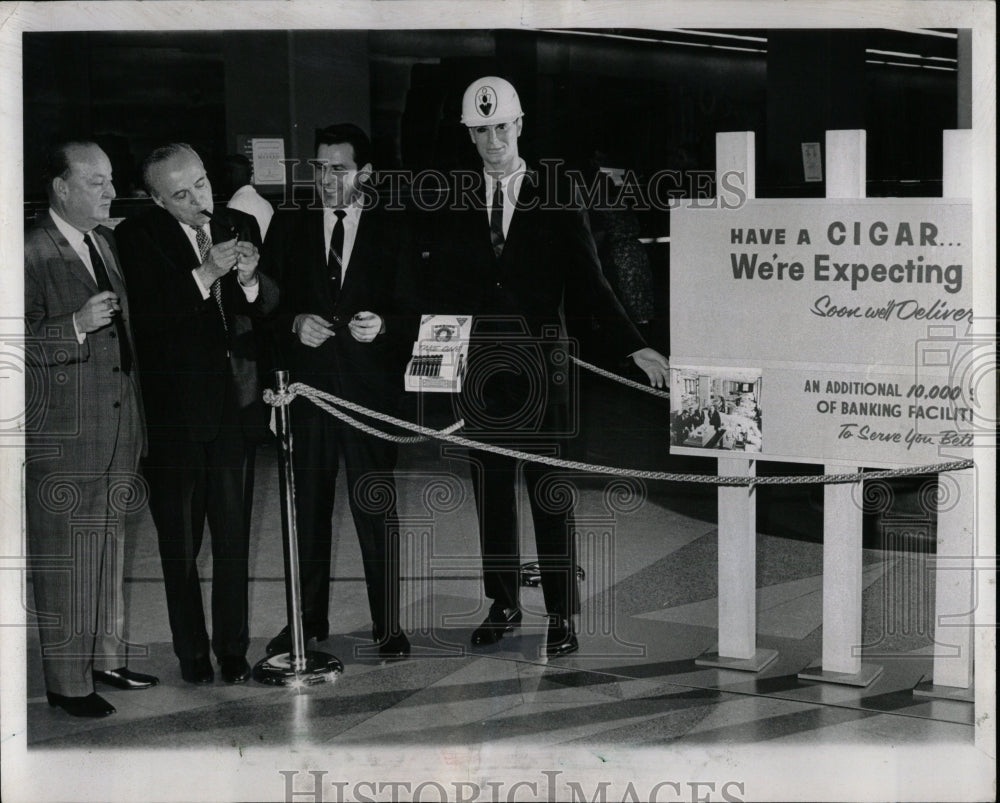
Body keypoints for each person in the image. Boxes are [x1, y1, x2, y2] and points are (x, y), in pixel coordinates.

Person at [418, 77, 670, 657]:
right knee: (491, 491)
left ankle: (560, 614)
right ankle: (502, 603)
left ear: (520, 126)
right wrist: (434, 368)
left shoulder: (557, 190)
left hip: (543, 370)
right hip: (481, 370)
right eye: (481, 130)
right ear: (470, 134)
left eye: (501, 126)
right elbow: (442, 290)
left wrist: (635, 345)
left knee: (550, 492)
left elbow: (590, 279)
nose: (492, 139)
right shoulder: (455, 195)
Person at [115, 143, 278, 685]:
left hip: (233, 410)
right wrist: (206, 273)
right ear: (157, 200)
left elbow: (265, 307)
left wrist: (252, 280)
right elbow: (150, 321)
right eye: (180, 195)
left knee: (233, 540)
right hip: (175, 420)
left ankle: (232, 648)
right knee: (179, 546)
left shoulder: (238, 221)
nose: (197, 200)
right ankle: (191, 653)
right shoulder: (136, 238)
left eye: (201, 185)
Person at [259, 123, 413, 660]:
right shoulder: (289, 223)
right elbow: (265, 308)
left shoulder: (394, 227)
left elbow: (415, 308)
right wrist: (294, 323)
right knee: (309, 509)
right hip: (309, 391)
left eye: (339, 169)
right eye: (320, 168)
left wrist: (387, 326)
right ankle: (307, 617)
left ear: (366, 174)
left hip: (371, 394)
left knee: (375, 506)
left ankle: (388, 624)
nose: (326, 179)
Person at [24, 141, 158, 717]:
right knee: (66, 556)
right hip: (66, 432)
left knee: (108, 548)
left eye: (110, 180)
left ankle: (104, 657)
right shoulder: (28, 250)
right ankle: (67, 683)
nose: (110, 191)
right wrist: (73, 324)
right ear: (61, 187)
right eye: (97, 181)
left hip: (118, 424)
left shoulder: (100, 243)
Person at [224, 154, 274, 239]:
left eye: (226, 174)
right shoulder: (266, 204)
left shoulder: (234, 205)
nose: (225, 180)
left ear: (231, 174)